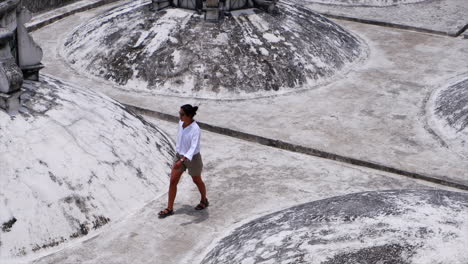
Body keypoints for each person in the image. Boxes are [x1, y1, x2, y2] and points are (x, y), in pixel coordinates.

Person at [159, 104, 208, 218]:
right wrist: (178, 156)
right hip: (179, 156)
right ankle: (169, 208)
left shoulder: (196, 129)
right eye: (179, 113)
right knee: (173, 182)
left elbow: (193, 147)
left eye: (182, 114)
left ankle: (204, 200)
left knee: (197, 180)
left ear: (189, 115)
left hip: (193, 158)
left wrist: (182, 160)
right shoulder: (181, 123)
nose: (179, 116)